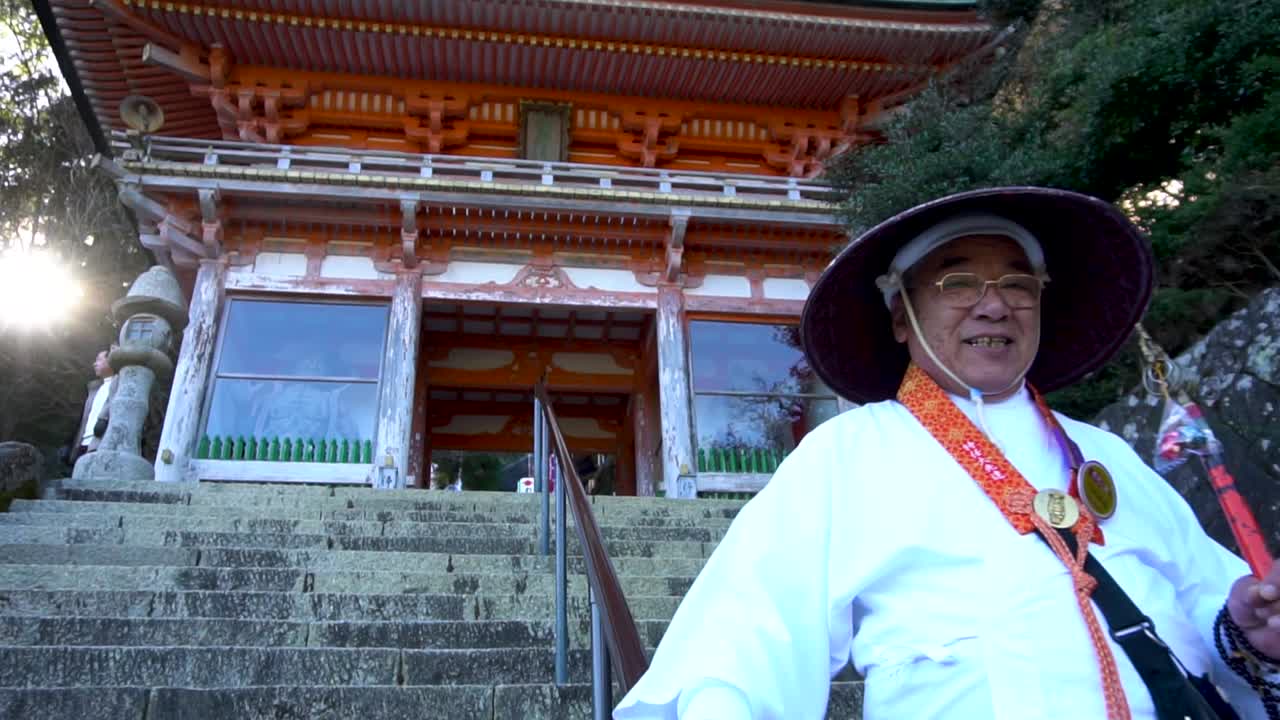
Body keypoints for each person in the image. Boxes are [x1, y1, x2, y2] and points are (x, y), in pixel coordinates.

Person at [614, 188, 1279, 719]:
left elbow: (1211, 600)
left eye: (1018, 284)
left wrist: (1248, 631)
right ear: (901, 318)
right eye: (958, 282)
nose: (994, 306)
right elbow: (751, 630)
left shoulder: (1106, 456)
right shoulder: (852, 452)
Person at [68, 348, 116, 464]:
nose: (95, 364)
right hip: (83, 443)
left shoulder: (119, 385)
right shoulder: (93, 389)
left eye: (99, 359)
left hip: (101, 443)